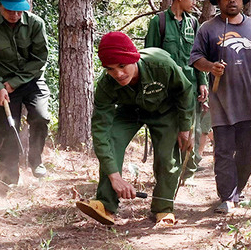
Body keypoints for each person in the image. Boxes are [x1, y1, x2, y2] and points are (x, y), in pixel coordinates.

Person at [77, 32, 195, 227]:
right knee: (112, 140)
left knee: (168, 156)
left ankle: (164, 209)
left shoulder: (160, 64)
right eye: (111, 69)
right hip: (130, 111)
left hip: (165, 109)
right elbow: (101, 131)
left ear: (134, 59)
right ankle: (105, 205)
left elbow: (185, 91)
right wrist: (115, 177)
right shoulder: (106, 85)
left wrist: (184, 127)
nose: (118, 74)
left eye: (122, 66)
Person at [189, 0, 251, 214]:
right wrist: (211, 67)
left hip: (250, 100)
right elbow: (196, 58)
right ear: (218, 1)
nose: (231, 1)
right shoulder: (208, 29)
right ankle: (227, 197)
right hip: (221, 100)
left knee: (248, 154)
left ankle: (237, 191)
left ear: (242, 0)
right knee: (224, 151)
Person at [0, 0, 50, 185]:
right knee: (6, 127)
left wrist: (16, 82)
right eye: (9, 10)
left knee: (40, 117)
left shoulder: (36, 24)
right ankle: (9, 177)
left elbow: (39, 59)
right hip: (3, 84)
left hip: (32, 80)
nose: (15, 15)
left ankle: (35, 161)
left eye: (19, 10)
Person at [144, 0, 210, 181]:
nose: (194, 1)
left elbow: (198, 56)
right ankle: (165, 175)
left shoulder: (193, 23)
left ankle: (187, 173)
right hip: (166, 91)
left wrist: (202, 82)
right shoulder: (159, 22)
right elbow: (149, 57)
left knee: (193, 130)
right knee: (167, 132)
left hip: (189, 90)